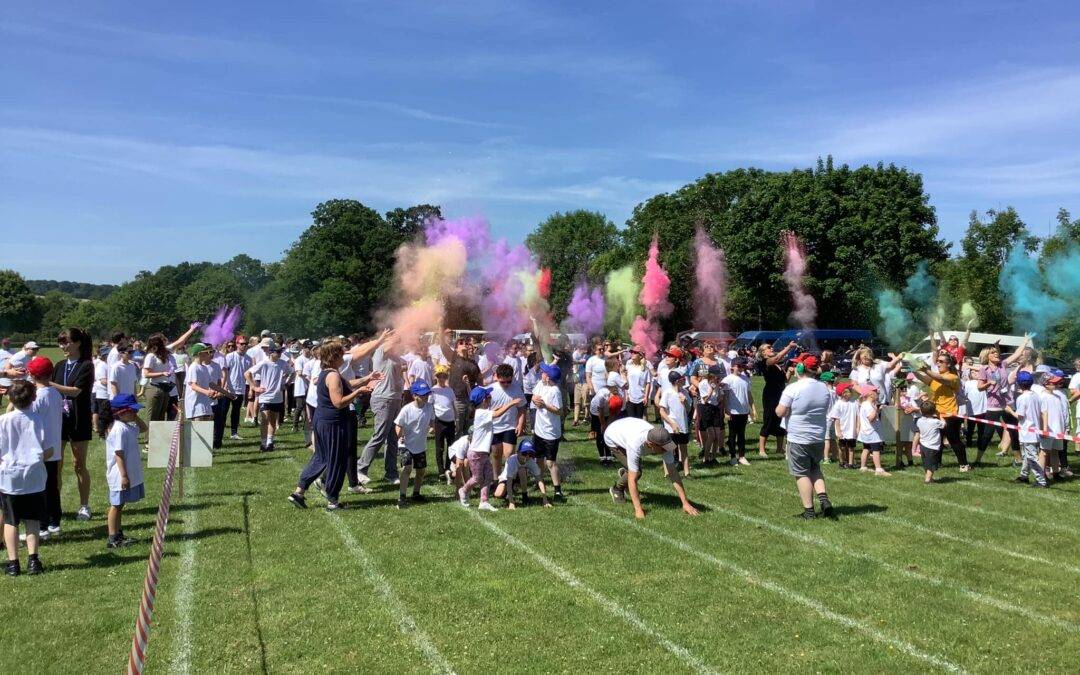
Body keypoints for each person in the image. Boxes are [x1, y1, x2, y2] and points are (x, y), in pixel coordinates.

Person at [290, 341, 382, 510]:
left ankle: (298, 492)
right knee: (336, 460)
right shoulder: (332, 375)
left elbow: (347, 384)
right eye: (341, 353)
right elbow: (338, 402)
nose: (344, 355)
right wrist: (358, 393)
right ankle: (333, 500)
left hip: (323, 420)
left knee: (321, 457)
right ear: (334, 357)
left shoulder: (329, 372)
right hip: (332, 423)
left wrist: (369, 378)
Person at [603, 417, 699, 520]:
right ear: (650, 444)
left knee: (633, 470)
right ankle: (617, 489)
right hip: (612, 436)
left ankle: (626, 473)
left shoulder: (663, 441)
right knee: (636, 473)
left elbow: (673, 472)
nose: (666, 450)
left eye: (667, 446)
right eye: (663, 448)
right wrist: (638, 510)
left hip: (627, 426)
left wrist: (685, 503)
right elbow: (633, 480)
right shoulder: (635, 444)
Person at [775, 353, 833, 519]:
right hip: (818, 437)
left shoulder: (793, 388)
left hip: (798, 437)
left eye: (796, 365)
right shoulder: (824, 388)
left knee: (801, 473)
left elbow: (780, 411)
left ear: (801, 368)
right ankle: (823, 498)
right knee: (815, 468)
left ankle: (809, 511)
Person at [0, 380, 47, 576]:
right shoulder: (38, 419)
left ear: (10, 398)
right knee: (32, 519)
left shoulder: (3, 420)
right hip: (34, 475)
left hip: (10, 476)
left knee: (11, 520)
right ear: (33, 398)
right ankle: (33, 560)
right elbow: (48, 449)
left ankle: (13, 563)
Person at [51, 328, 95, 521]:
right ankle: (55, 506)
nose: (63, 346)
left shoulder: (86, 365)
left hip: (78, 420)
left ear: (77, 343)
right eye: (61, 342)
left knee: (78, 464)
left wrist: (47, 383)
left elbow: (76, 391)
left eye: (67, 342)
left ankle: (84, 506)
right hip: (58, 420)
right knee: (56, 465)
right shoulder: (59, 365)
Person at [458, 385, 522, 511]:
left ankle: (484, 501)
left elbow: (495, 410)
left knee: (488, 477)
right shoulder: (481, 413)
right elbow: (497, 413)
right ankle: (463, 490)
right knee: (477, 478)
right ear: (484, 400)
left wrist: (504, 405)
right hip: (476, 453)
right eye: (489, 396)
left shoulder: (482, 412)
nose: (491, 398)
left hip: (483, 453)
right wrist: (511, 403)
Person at [358, 334, 406, 484]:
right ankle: (360, 469)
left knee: (393, 438)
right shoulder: (380, 352)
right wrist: (397, 334)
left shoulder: (397, 358)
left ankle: (391, 473)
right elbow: (389, 345)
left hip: (395, 399)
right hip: (382, 399)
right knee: (380, 435)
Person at [913, 352, 970, 472]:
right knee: (937, 441)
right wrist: (912, 368)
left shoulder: (952, 377)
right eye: (937, 361)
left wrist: (927, 370)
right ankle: (937, 463)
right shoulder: (935, 377)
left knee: (954, 440)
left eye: (941, 361)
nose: (938, 363)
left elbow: (940, 378)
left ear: (948, 364)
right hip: (936, 414)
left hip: (950, 414)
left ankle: (964, 464)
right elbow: (923, 378)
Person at [102, 394, 146, 548]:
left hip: (125, 474)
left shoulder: (127, 426)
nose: (136, 413)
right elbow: (119, 454)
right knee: (116, 505)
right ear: (121, 412)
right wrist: (124, 476)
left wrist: (135, 417)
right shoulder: (119, 429)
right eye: (132, 411)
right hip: (119, 475)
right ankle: (112, 537)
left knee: (121, 505)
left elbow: (144, 428)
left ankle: (118, 533)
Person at [28, 357, 63, 538]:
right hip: (54, 448)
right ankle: (54, 522)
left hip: (40, 449)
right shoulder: (56, 393)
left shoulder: (37, 397)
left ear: (32, 375)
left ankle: (42, 526)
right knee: (51, 487)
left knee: (39, 488)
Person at [393, 380, 435, 509]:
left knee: (421, 471)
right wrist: (400, 437)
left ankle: (416, 493)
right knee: (407, 469)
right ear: (414, 395)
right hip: (405, 445)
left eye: (427, 394)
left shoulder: (429, 407)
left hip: (420, 445)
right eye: (423, 395)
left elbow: (432, 422)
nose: (426, 396)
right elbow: (398, 425)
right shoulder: (407, 409)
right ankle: (402, 497)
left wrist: (432, 428)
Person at [531, 362, 566, 500]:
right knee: (539, 459)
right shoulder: (542, 384)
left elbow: (559, 411)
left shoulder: (555, 391)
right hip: (539, 430)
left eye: (544, 372)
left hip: (551, 433)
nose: (542, 373)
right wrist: (535, 400)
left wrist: (544, 405)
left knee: (550, 462)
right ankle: (539, 482)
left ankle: (557, 490)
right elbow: (534, 395)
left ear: (549, 377)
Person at [757, 341, 796, 458]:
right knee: (769, 420)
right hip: (770, 395)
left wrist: (789, 372)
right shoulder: (765, 362)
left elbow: (785, 380)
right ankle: (761, 449)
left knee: (781, 420)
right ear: (763, 352)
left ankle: (780, 448)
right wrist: (788, 347)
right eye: (768, 348)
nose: (771, 348)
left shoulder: (777, 365)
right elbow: (777, 357)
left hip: (780, 394)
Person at [440, 330, 481, 438]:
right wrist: (441, 329)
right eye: (461, 343)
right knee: (457, 428)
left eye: (467, 343)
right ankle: (455, 453)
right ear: (456, 348)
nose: (465, 344)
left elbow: (480, 380)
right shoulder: (454, 358)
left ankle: (465, 452)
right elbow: (443, 346)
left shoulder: (473, 364)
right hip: (457, 399)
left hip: (470, 399)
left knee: (469, 429)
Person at [245, 343, 287, 452]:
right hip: (265, 396)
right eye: (277, 352)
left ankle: (270, 443)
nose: (280, 354)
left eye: (280, 352)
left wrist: (285, 383)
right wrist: (254, 388)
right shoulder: (264, 363)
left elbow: (292, 372)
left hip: (277, 397)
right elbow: (247, 373)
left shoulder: (283, 363)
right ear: (271, 353)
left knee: (272, 420)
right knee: (264, 419)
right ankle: (263, 443)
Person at [1011, 371, 1047, 487]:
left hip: (1028, 431)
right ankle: (1024, 476)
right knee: (1026, 455)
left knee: (1031, 457)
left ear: (1019, 384)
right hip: (1035, 430)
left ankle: (1041, 480)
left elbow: (1020, 416)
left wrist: (1009, 410)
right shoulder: (1036, 395)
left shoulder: (1022, 398)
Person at [492, 439, 552, 508]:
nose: (527, 456)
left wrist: (545, 500)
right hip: (507, 479)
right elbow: (509, 481)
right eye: (524, 453)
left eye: (530, 454)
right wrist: (511, 502)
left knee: (522, 469)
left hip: (519, 478)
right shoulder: (511, 460)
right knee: (498, 494)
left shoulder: (531, 461)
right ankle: (508, 493)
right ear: (518, 452)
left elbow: (540, 480)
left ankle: (524, 496)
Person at [722, 357, 756, 465]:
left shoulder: (746, 379)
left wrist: (753, 409)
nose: (741, 368)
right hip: (733, 411)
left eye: (743, 366)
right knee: (732, 434)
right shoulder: (728, 380)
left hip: (744, 411)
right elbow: (725, 397)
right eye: (739, 366)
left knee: (741, 434)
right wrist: (727, 411)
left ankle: (742, 456)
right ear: (733, 366)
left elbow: (749, 395)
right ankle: (733, 456)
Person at [659, 370, 691, 477]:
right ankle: (667, 473)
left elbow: (688, 409)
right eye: (682, 379)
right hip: (671, 427)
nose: (684, 381)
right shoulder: (667, 393)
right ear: (677, 381)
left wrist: (685, 402)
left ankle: (687, 473)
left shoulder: (684, 393)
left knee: (684, 449)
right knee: (669, 450)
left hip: (683, 426)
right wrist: (671, 424)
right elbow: (662, 411)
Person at [1039, 372, 1070, 480]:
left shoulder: (1057, 397)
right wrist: (1043, 429)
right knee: (1044, 452)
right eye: (1053, 382)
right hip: (1048, 430)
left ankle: (1056, 473)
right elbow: (1042, 414)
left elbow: (1061, 413)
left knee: (1055, 451)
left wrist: (1064, 428)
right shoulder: (1042, 397)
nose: (1056, 384)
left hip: (1058, 430)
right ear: (1046, 384)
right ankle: (1041, 475)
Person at [142, 333, 179, 423]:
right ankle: (149, 437)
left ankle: (159, 437)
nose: (165, 343)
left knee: (161, 417)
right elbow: (146, 374)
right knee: (152, 417)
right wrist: (162, 373)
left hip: (165, 389)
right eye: (162, 342)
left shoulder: (165, 356)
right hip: (155, 388)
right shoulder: (151, 356)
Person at [856, 384, 890, 476]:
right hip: (872, 431)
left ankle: (863, 467)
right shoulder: (868, 405)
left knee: (866, 448)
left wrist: (876, 410)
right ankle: (878, 469)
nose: (878, 394)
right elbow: (871, 418)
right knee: (876, 449)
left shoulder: (865, 404)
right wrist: (876, 409)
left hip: (866, 431)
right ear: (871, 394)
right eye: (876, 392)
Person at [430, 366, 457, 480]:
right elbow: (430, 406)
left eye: (444, 376)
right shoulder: (433, 390)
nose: (441, 378)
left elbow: (453, 405)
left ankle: (448, 468)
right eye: (439, 376)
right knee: (439, 447)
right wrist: (431, 423)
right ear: (436, 377)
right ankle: (441, 471)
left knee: (451, 447)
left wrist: (456, 419)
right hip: (439, 421)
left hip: (450, 421)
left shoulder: (449, 390)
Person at [223, 337, 252, 440]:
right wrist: (225, 387)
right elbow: (225, 372)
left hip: (240, 389)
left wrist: (251, 389)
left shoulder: (249, 358)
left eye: (246, 344)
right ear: (237, 344)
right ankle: (220, 433)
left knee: (236, 412)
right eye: (242, 344)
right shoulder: (230, 356)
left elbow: (249, 375)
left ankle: (234, 433)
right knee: (224, 412)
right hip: (228, 389)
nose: (244, 346)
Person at [912, 400, 945, 484]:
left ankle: (930, 478)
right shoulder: (935, 422)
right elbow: (944, 424)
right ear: (933, 411)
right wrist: (940, 415)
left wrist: (914, 448)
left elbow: (917, 434)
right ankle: (927, 479)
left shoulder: (919, 421)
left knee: (926, 463)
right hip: (932, 446)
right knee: (932, 464)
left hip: (923, 445)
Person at [829, 381, 860, 469]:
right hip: (842, 429)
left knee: (851, 447)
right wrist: (838, 431)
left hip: (851, 429)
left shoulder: (854, 403)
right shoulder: (838, 404)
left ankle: (850, 463)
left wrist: (857, 427)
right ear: (844, 393)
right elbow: (836, 419)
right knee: (842, 447)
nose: (851, 392)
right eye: (849, 391)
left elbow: (858, 416)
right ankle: (842, 462)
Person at [184, 343, 218, 422]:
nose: (208, 354)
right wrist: (207, 392)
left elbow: (211, 383)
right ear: (200, 354)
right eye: (206, 352)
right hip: (195, 403)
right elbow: (193, 386)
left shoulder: (204, 368)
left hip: (205, 402)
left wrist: (225, 392)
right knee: (199, 427)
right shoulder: (194, 367)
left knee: (207, 427)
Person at [624, 350, 653, 420]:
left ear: (640, 356)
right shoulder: (628, 367)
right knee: (631, 419)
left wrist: (646, 397)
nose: (633, 354)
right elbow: (625, 382)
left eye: (635, 353)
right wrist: (626, 394)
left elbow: (648, 383)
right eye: (632, 352)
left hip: (641, 398)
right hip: (630, 398)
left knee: (639, 419)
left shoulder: (646, 369)